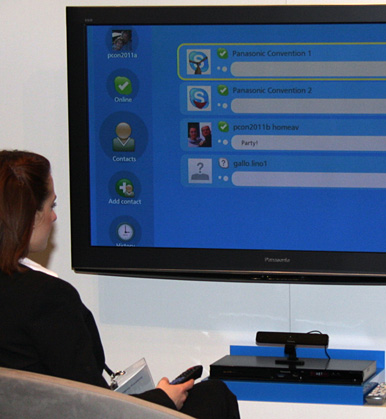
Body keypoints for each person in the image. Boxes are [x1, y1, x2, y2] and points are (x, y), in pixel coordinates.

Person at [0, 150, 240, 419]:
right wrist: (163, 399)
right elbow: (90, 408)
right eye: (51, 206)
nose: (54, 217)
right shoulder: (47, 297)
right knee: (214, 395)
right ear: (31, 216)